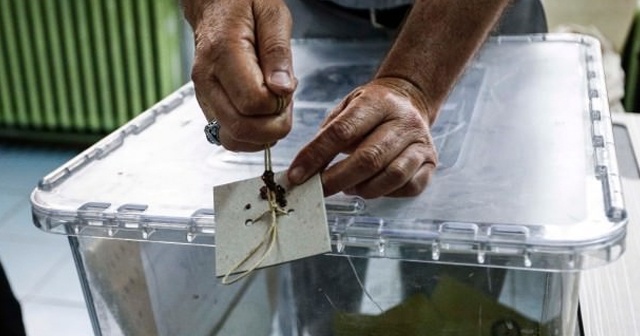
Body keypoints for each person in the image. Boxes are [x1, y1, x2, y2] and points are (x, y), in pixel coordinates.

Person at [181, 0, 533, 199]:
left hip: (476, 18)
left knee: (469, 245)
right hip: (311, 18)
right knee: (317, 283)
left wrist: (413, 84)